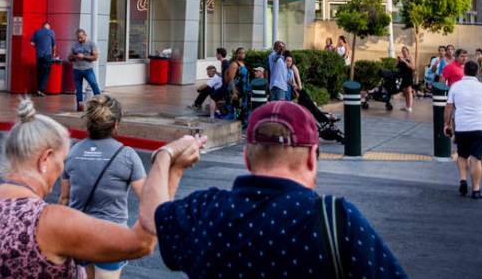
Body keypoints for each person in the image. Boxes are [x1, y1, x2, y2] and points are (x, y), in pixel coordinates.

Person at [0, 99, 201, 279]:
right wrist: (168, 162)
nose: (62, 168)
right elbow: (144, 242)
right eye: (61, 160)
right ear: (44, 158)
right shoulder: (48, 222)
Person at [147, 101, 406, 278]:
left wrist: (167, 158)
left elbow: (152, 219)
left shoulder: (206, 209)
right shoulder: (337, 220)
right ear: (312, 156)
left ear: (247, 158)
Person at [60, 95, 146, 279]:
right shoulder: (127, 155)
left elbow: (64, 199)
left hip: (79, 233)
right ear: (115, 124)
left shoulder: (73, 152)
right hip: (112, 236)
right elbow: (147, 199)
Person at [444, 60, 482, 199]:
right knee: (476, 159)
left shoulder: (455, 86)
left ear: (464, 71)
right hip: (479, 127)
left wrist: (447, 124)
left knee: (462, 155)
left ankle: (463, 180)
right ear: (476, 72)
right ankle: (476, 190)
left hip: (462, 127)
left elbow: (449, 107)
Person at [70, 28, 101, 112]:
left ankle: (100, 103)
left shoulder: (91, 44)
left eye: (81, 37)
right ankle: (80, 106)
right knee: (78, 89)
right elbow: (70, 57)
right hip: (76, 69)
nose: (79, 39)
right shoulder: (74, 45)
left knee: (94, 84)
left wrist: (83, 56)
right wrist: (74, 56)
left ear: (85, 35)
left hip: (87, 69)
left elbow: (95, 57)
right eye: (78, 38)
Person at [30, 21, 57, 97]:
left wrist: (38, 47)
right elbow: (54, 45)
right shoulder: (51, 32)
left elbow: (32, 43)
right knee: (46, 73)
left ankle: (38, 89)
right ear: (48, 26)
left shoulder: (37, 32)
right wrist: (54, 54)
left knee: (39, 72)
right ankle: (41, 90)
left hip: (39, 55)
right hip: (47, 55)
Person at [396, 46, 415, 112]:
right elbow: (397, 67)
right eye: (402, 51)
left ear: (407, 51)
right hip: (402, 76)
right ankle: (407, 106)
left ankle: (410, 107)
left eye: (404, 51)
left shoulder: (410, 57)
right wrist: (398, 61)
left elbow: (412, 67)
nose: (403, 52)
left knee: (409, 91)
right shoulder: (402, 58)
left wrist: (404, 61)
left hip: (408, 76)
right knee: (405, 92)